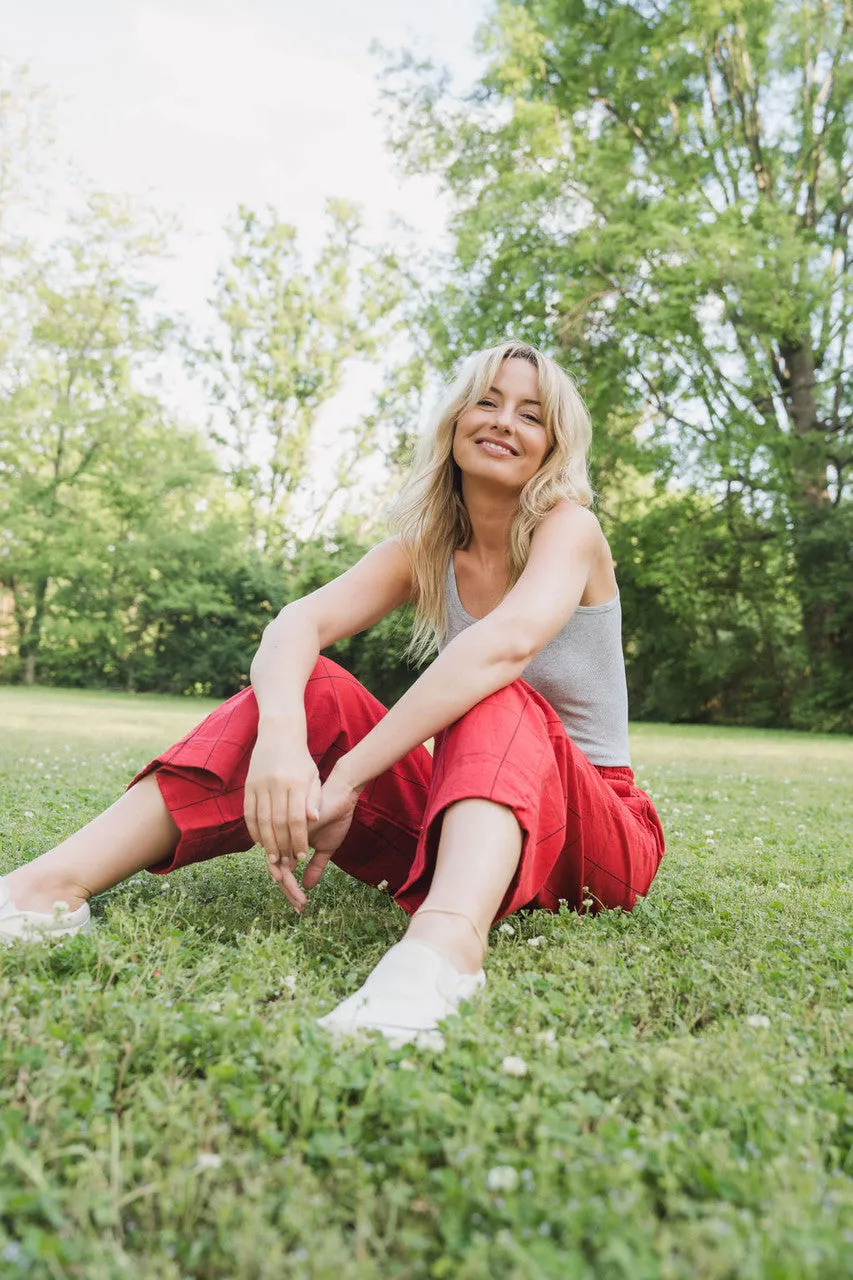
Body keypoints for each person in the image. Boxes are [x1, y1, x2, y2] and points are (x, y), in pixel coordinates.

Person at [0, 341, 665, 1048]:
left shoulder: (570, 528)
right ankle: (43, 894)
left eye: (530, 414)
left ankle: (441, 959)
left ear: (552, 446)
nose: (504, 421)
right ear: (453, 419)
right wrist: (284, 742)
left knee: (491, 692)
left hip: (597, 834)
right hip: (467, 820)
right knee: (308, 684)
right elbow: (297, 624)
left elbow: (502, 647)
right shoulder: (427, 547)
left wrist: (348, 774)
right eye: (486, 401)